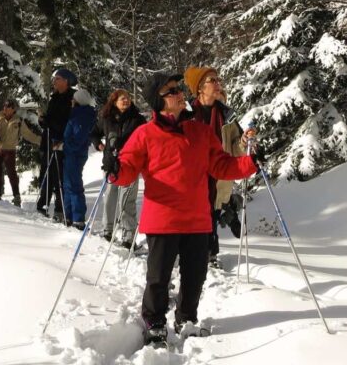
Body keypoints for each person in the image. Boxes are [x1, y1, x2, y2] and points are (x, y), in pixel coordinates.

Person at [106, 73, 260, 347]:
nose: (179, 93)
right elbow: (127, 171)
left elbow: (222, 166)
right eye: (171, 91)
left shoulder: (200, 132)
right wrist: (115, 169)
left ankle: (186, 319)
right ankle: (154, 322)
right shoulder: (145, 134)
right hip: (162, 219)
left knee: (195, 276)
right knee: (158, 278)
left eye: (178, 89)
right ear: (159, 102)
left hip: (197, 219)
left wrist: (250, 163)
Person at [185, 66, 248, 268]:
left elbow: (236, 148)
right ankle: (187, 252)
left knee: (211, 211)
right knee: (193, 214)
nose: (217, 82)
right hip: (193, 173)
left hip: (217, 173)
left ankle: (210, 254)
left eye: (217, 78)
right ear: (200, 88)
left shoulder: (226, 115)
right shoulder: (187, 113)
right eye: (212, 79)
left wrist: (244, 142)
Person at [91, 89, 146, 248]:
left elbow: (146, 139)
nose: (126, 101)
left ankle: (128, 237)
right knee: (110, 197)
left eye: (128, 98)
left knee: (127, 200)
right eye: (123, 99)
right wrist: (98, 144)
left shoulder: (137, 119)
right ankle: (107, 230)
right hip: (110, 163)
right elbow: (94, 133)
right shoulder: (107, 118)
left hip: (130, 164)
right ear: (114, 101)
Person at [37, 68, 76, 220]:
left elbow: (67, 121)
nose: (54, 81)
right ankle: (43, 204)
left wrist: (49, 122)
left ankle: (60, 208)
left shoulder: (71, 98)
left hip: (61, 142)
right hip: (48, 141)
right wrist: (44, 121)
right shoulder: (54, 97)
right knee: (46, 173)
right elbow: (52, 120)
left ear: (66, 81)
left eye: (57, 79)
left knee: (59, 175)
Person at [0, 99, 41, 206]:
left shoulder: (18, 121)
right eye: (4, 106)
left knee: (12, 173)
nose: (5, 108)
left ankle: (16, 195)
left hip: (9, 150)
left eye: (8, 106)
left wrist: (41, 141)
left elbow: (28, 134)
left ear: (13, 109)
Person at [61, 88, 96, 229]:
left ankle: (78, 218)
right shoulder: (78, 114)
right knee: (68, 184)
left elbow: (78, 139)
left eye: (74, 99)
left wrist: (66, 145)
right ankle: (68, 215)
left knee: (74, 185)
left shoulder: (81, 115)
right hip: (71, 153)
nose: (71, 101)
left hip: (74, 154)